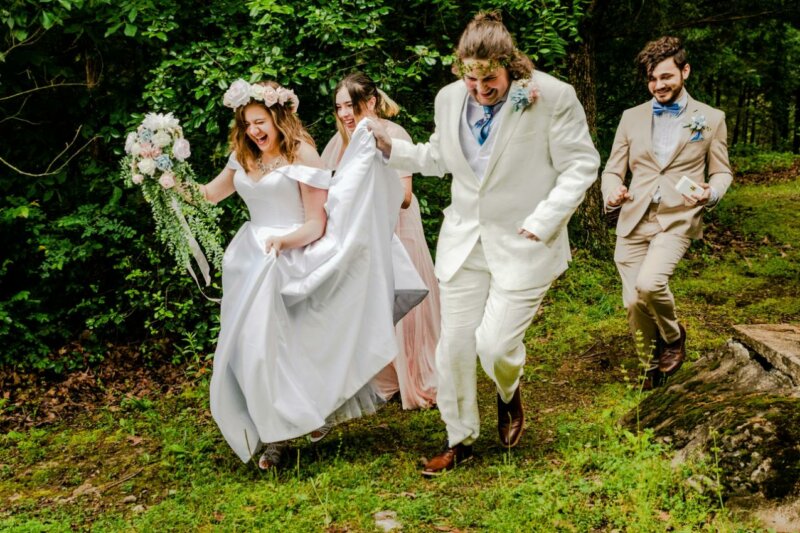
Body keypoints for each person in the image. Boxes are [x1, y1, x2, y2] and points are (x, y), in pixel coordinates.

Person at [370, 11, 600, 475]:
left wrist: (546, 218)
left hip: (525, 241)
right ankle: (460, 439)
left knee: (494, 347)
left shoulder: (551, 96)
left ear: (510, 65)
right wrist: (392, 150)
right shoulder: (449, 98)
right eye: (471, 79)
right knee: (453, 346)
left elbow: (581, 164)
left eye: (489, 78)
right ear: (461, 69)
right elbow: (439, 156)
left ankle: (508, 391)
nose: (480, 89)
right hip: (464, 241)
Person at [202, 79, 423, 470]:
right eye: (247, 123)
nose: (254, 131)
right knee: (244, 352)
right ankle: (270, 425)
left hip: (289, 258)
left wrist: (284, 243)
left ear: (278, 117)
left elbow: (315, 224)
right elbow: (209, 194)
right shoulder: (242, 155)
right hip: (247, 262)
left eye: (260, 121)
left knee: (275, 351)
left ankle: (278, 438)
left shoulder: (302, 154)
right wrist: (162, 176)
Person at [601, 36, 732, 390]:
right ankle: (649, 368)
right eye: (652, 78)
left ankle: (674, 337)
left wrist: (712, 191)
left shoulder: (711, 119)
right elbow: (613, 169)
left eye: (666, 76)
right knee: (633, 302)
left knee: (650, 284)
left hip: (677, 218)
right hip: (633, 217)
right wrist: (612, 191)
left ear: (684, 71)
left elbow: (722, 170)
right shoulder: (631, 118)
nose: (658, 85)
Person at [321, 72, 440, 410]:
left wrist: (362, 196)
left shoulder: (393, 133)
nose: (345, 113)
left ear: (370, 102)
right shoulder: (339, 142)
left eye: (351, 105)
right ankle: (384, 376)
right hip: (363, 235)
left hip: (396, 229)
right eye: (339, 106)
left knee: (404, 301)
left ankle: (414, 374)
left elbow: (404, 196)